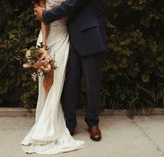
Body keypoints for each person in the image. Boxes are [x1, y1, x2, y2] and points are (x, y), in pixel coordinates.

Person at [34, 0, 107, 141]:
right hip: (71, 38)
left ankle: (93, 123)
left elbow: (72, 4)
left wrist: (47, 14)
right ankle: (69, 123)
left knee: (92, 85)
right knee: (71, 83)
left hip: (90, 36)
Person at [21, 0, 85, 154]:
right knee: (47, 85)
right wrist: (43, 46)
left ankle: (55, 121)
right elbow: (44, 19)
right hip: (47, 39)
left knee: (58, 84)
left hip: (64, 39)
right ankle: (45, 122)